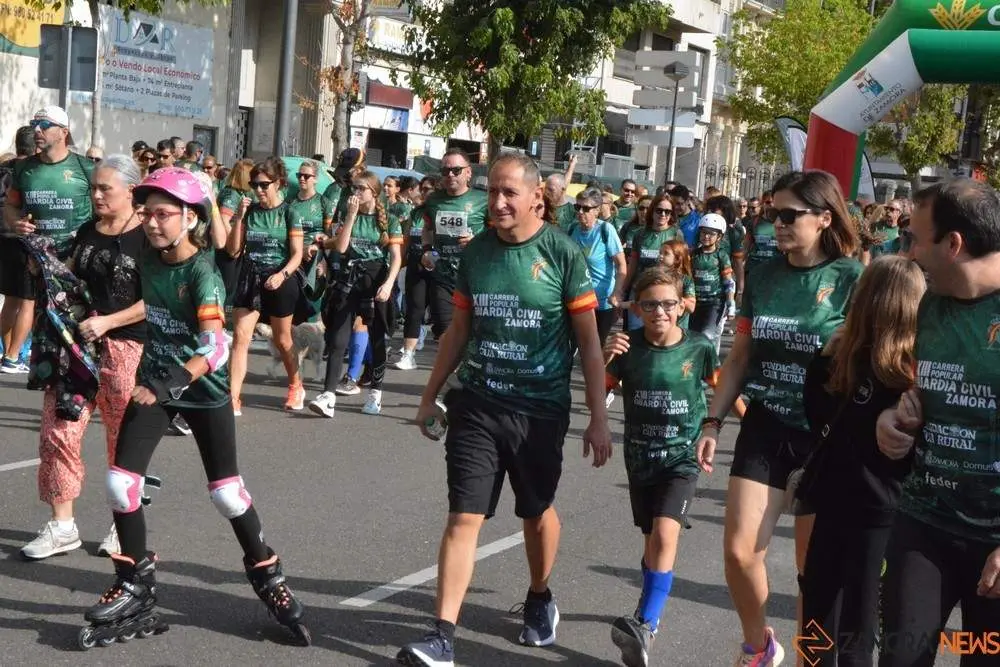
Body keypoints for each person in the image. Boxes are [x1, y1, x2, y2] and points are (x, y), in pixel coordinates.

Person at [396, 154, 613, 667]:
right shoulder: (477, 253)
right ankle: (442, 637)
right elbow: (458, 332)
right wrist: (430, 395)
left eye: (509, 192)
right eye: (492, 191)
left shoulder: (562, 253)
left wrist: (598, 418)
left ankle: (539, 595)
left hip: (539, 411)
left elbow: (588, 343)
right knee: (463, 516)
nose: (496, 202)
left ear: (537, 197)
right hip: (477, 403)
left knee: (535, 512)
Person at [78, 167, 309, 647]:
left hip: (201, 391)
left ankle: (267, 574)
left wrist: (169, 383)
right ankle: (134, 583)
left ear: (191, 218)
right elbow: (145, 296)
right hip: (156, 384)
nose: (151, 222)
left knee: (227, 494)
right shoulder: (147, 254)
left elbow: (216, 347)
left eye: (163, 214)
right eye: (146, 213)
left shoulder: (203, 274)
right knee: (121, 484)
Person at [694, 170, 862, 666]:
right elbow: (740, 357)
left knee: (813, 572)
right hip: (766, 424)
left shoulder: (851, 278)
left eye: (789, 215)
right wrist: (712, 422)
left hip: (825, 435)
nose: (777, 223)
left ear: (824, 218)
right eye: (773, 213)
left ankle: (812, 658)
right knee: (740, 552)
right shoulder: (764, 275)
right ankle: (759, 646)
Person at [875, 179, 1000, 667]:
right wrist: (893, 420)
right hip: (924, 521)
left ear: (953, 244)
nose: (909, 253)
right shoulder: (930, 304)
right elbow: (917, 392)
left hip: (994, 542)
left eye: (916, 239)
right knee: (902, 657)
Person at [797, 255, 925, 666]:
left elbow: (818, 419)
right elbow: (820, 419)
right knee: (836, 619)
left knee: (839, 621)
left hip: (862, 510)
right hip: (855, 506)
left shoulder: (901, 372)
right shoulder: (869, 361)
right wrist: (823, 360)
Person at [20, 155, 147, 561]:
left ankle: (123, 523)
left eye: (105, 188)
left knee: (121, 439)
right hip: (76, 348)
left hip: (126, 347)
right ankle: (62, 526)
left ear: (131, 190)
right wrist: (40, 264)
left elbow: (159, 299)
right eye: (93, 188)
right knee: (57, 432)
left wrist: (109, 321)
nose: (96, 195)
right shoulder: (88, 230)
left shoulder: (149, 235)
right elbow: (69, 275)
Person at [604, 267, 719, 667]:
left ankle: (647, 624)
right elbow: (597, 393)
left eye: (668, 304)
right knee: (652, 540)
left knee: (667, 535)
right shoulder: (627, 348)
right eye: (650, 305)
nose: (660, 312)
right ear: (637, 309)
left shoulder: (699, 347)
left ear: (683, 306)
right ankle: (647, 601)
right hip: (640, 458)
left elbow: (722, 388)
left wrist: (734, 427)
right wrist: (603, 357)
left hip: (682, 458)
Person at [3, 107, 94, 373]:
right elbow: (11, 206)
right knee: (44, 331)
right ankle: (50, 382)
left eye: (44, 125)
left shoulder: (85, 167)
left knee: (78, 330)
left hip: (74, 264)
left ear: (64, 132)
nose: (37, 130)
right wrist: (15, 222)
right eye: (34, 124)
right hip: (37, 262)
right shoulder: (23, 167)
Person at [309, 170, 402, 417]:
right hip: (350, 277)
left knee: (377, 338)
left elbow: (396, 257)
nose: (356, 193)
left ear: (374, 192)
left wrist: (388, 284)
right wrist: (350, 216)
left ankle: (375, 393)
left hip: (376, 278)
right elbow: (341, 247)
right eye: (354, 188)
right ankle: (328, 395)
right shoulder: (350, 214)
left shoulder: (390, 220)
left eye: (361, 189)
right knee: (338, 337)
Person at [226, 157, 305, 415]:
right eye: (254, 185)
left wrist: (282, 275)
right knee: (240, 337)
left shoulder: (290, 212)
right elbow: (233, 250)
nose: (258, 190)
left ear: (278, 183)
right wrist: (239, 218)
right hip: (250, 277)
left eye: (264, 185)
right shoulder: (249, 211)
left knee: (282, 340)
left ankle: (296, 385)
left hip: (280, 277)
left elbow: (297, 254)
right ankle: (233, 397)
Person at [417, 148, 489, 342]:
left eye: (456, 170)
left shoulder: (483, 200)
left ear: (468, 172)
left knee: (473, 337)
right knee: (445, 334)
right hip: (443, 277)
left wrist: (477, 241)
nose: (450, 175)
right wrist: (426, 250)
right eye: (445, 170)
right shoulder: (434, 200)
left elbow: (499, 234)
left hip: (475, 279)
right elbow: (427, 229)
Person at [567, 186, 626, 346]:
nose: (580, 212)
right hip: (578, 299)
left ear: (597, 210)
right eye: (577, 207)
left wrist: (616, 292)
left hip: (602, 301)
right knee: (574, 345)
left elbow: (621, 265)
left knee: (596, 347)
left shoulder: (606, 230)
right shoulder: (572, 229)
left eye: (586, 208)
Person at [395, 174, 441, 369]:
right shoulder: (416, 213)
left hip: (440, 269)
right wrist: (398, 265)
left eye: (428, 189)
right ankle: (408, 354)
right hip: (416, 266)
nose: (423, 193)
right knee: (414, 310)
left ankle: (448, 360)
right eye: (422, 189)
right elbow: (405, 240)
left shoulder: (444, 211)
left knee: (441, 315)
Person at [0, 125, 36, 364]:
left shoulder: (4, 169)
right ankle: (13, 356)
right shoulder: (30, 171)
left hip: (4, 239)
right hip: (21, 239)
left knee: (11, 300)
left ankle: (7, 353)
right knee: (27, 301)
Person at [689, 213, 735, 354]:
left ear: (719, 237)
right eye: (703, 232)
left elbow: (728, 281)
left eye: (711, 234)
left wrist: (731, 303)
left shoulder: (721, 255)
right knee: (693, 338)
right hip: (695, 302)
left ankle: (712, 364)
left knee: (707, 335)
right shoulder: (693, 254)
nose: (706, 236)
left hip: (714, 303)